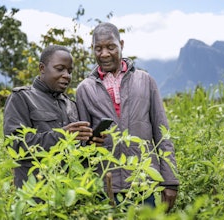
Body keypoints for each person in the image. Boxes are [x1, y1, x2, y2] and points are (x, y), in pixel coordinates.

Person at [76, 22, 179, 211]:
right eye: (98, 48)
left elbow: (162, 133)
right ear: (92, 49)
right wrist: (90, 142)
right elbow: (82, 145)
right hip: (105, 185)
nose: (104, 53)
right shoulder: (84, 89)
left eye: (110, 47)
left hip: (143, 182)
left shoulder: (145, 80)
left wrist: (170, 181)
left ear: (121, 45)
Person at [3, 45, 97, 188]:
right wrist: (61, 136)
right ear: (42, 68)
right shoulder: (22, 98)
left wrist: (90, 142)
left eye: (70, 71)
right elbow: (15, 146)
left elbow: (77, 153)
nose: (66, 75)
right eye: (60, 69)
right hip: (35, 195)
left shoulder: (70, 104)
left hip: (68, 194)